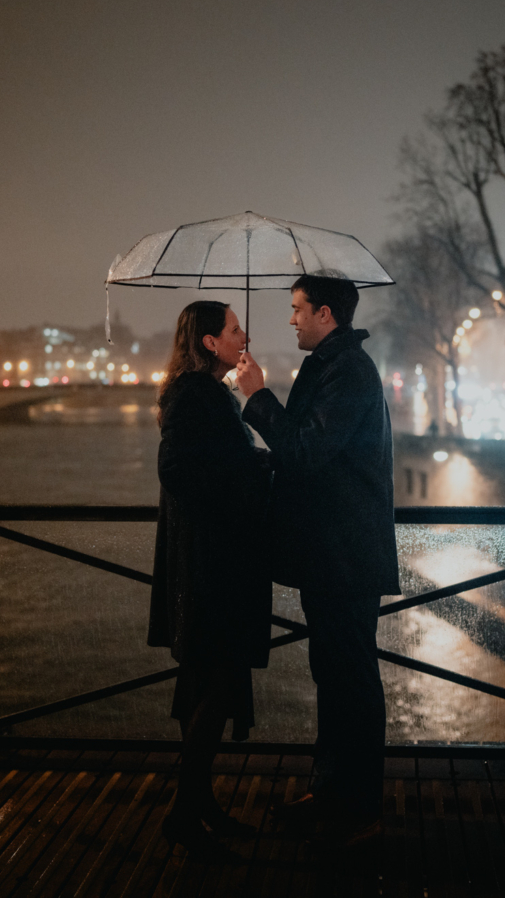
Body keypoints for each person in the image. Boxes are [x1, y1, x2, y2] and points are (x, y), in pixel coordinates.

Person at [234, 274, 399, 847]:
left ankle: (359, 807)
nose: (291, 319)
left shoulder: (348, 372)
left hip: (345, 555)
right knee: (334, 677)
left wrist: (255, 397)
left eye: (297, 309)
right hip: (333, 552)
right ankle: (331, 791)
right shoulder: (331, 366)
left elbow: (306, 450)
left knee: (350, 679)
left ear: (325, 313)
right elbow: (305, 449)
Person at [148, 299, 272, 861]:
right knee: (216, 689)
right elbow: (177, 470)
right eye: (234, 329)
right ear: (208, 342)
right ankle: (183, 813)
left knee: (206, 689)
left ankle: (200, 805)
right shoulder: (196, 396)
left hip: (210, 563)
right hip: (212, 568)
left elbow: (208, 461)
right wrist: (251, 468)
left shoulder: (203, 393)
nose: (244, 335)